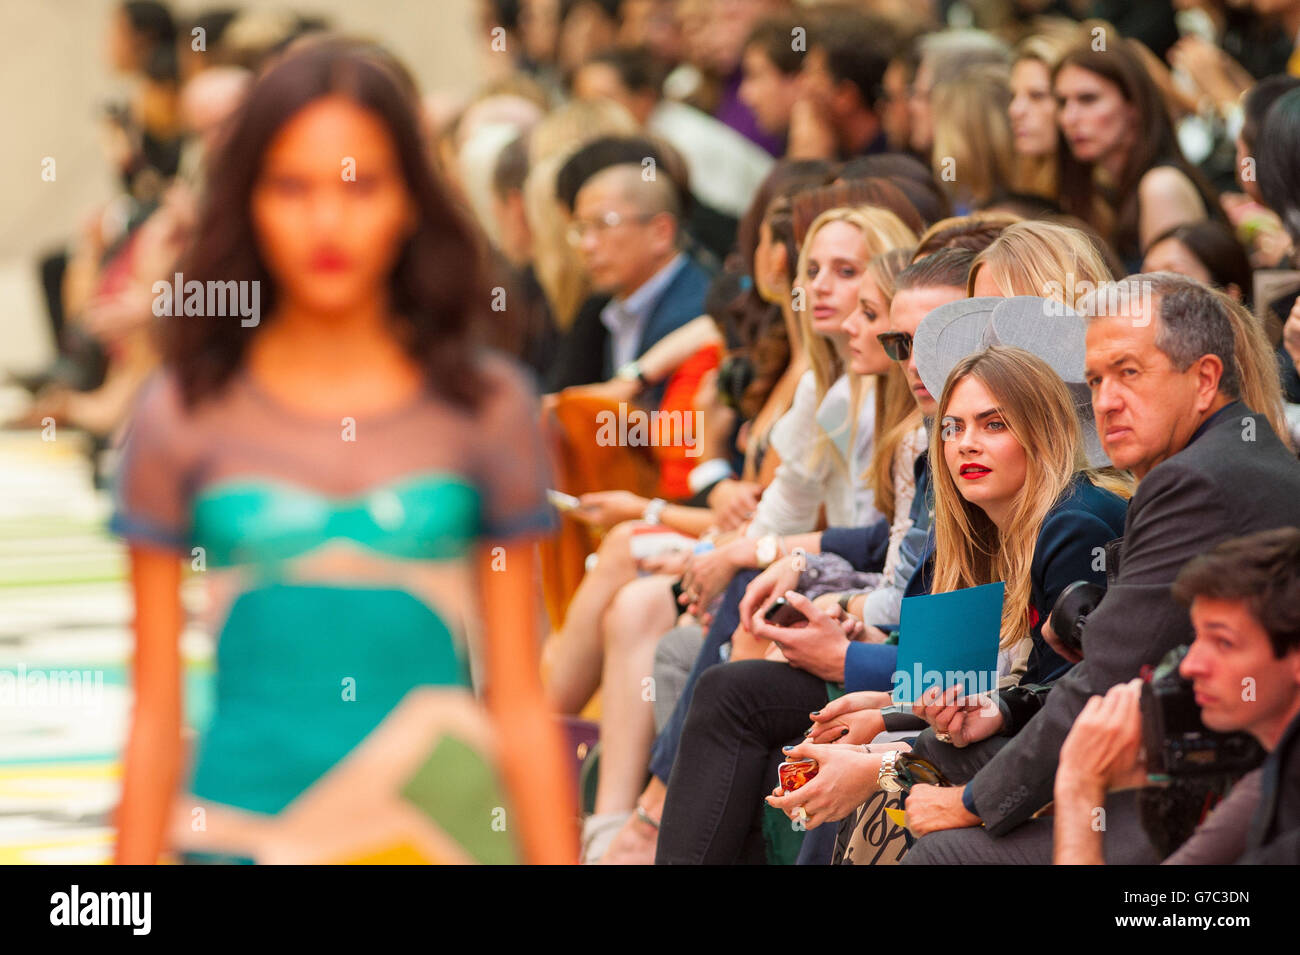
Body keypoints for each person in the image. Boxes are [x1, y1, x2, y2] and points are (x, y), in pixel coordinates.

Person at [110, 36, 576, 865]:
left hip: (443, 834)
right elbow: (153, 712)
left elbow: (518, 699)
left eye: (360, 185)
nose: (327, 220)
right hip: (239, 831)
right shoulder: (183, 410)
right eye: (292, 186)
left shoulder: (484, 405)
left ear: (409, 199)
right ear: (248, 200)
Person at [901, 273, 1300, 865]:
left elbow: (1107, 677)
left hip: (1214, 788)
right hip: (1180, 753)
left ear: (1205, 378)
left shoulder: (1190, 481)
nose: (1106, 399)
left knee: (939, 851)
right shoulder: (1227, 455)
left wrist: (972, 803)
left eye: (1129, 372)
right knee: (923, 757)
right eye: (1095, 379)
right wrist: (1005, 709)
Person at [764, 345, 1130, 834]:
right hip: (1001, 749)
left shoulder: (1073, 524)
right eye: (952, 427)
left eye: (993, 424)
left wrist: (885, 758)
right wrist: (888, 713)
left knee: (880, 785)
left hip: (1090, 786)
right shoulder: (971, 528)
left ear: (1044, 432)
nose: (965, 444)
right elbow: (950, 687)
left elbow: (1064, 707)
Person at [1053, 527, 1300, 864]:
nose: (1189, 666)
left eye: (1223, 642)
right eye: (1197, 637)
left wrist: (1079, 791)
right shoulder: (1274, 772)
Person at [1053, 37, 1220, 271]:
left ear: (1134, 106)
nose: (1069, 118)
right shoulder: (1105, 190)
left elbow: (1171, 303)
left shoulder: (1161, 186)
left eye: (1088, 99)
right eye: (1062, 102)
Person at [565, 160, 714, 407]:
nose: (587, 246)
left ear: (661, 232)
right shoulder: (611, 307)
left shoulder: (696, 310)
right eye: (581, 229)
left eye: (604, 224)